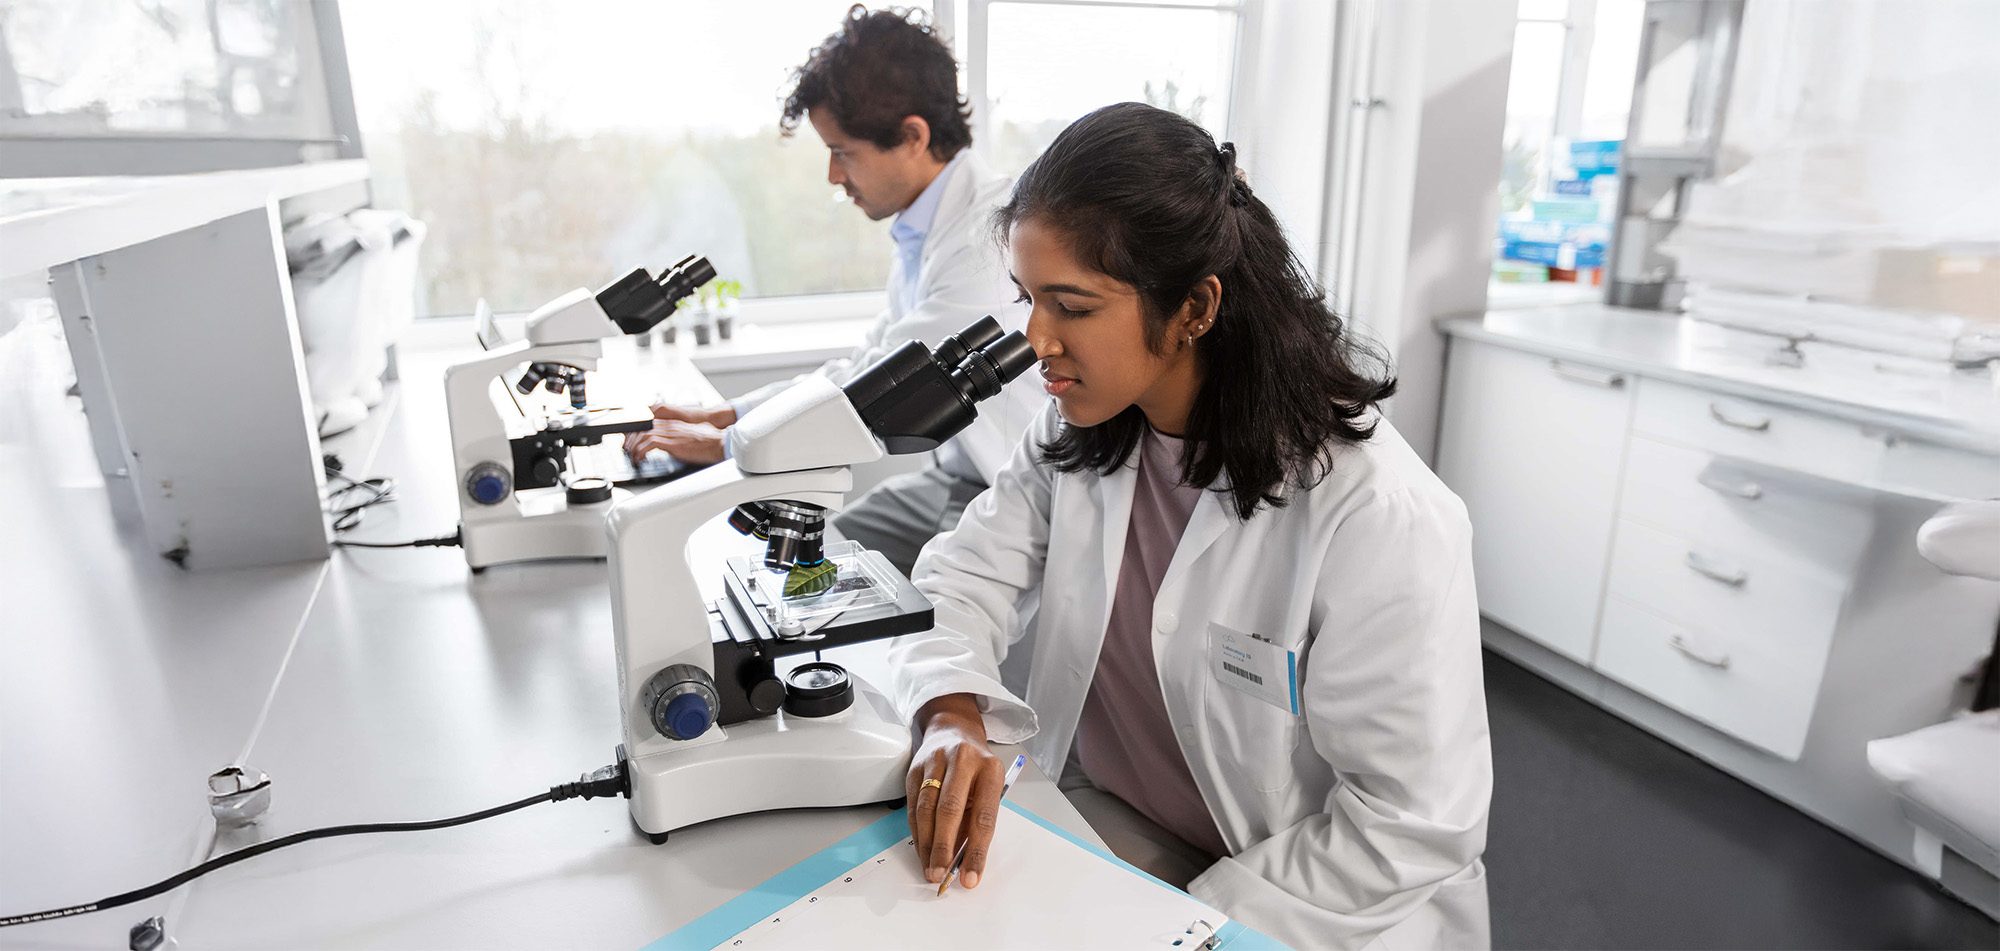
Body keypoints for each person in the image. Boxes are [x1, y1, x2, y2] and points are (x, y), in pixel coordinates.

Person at [884, 103, 1493, 950]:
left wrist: (1182, 927)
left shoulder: (1378, 514)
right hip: (1125, 823)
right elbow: (962, 577)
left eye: (1072, 306)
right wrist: (950, 707)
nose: (1035, 340)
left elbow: (1410, 824)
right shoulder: (1075, 433)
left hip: (1305, 893)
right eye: (1028, 299)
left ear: (1196, 307)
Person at [626, 6, 1041, 576]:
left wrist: (727, 444)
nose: (832, 176)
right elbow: (863, 363)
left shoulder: (989, 237)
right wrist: (727, 415)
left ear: (913, 136)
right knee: (813, 563)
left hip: (1005, 490)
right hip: (952, 477)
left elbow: (880, 392)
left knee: (829, 583)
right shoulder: (926, 229)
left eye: (842, 152)